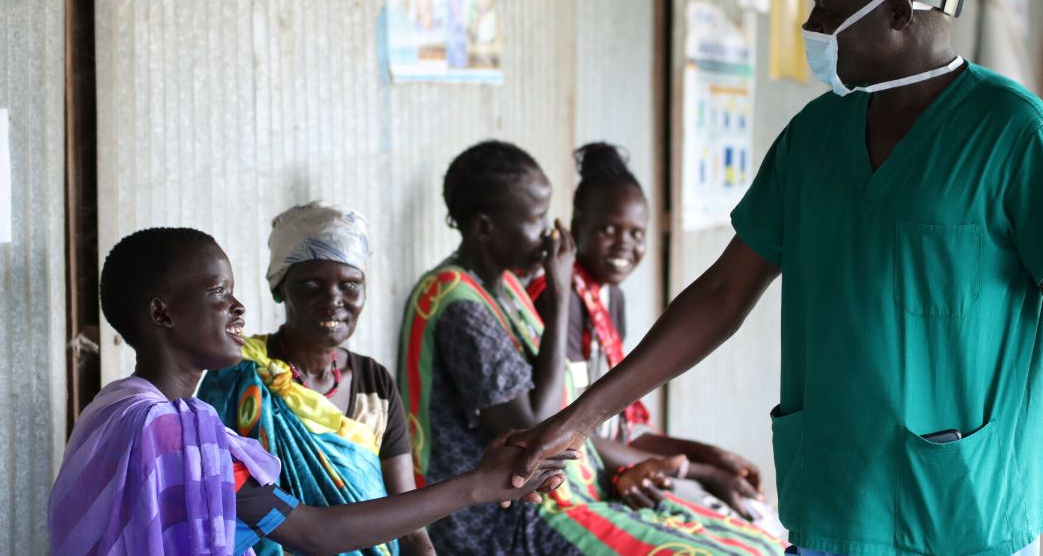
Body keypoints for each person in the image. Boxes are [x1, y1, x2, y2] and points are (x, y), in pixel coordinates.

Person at [508, 0, 1043, 556]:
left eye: (830, 12)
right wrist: (576, 422)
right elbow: (721, 295)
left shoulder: (1015, 135)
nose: (812, 31)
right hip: (837, 495)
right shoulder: (814, 137)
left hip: (967, 503)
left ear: (901, 13)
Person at [47, 227, 571, 556]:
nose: (238, 309)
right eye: (218, 294)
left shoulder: (114, 408)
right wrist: (477, 485)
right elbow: (317, 535)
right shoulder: (171, 431)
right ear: (161, 313)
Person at [397, 140, 786, 555]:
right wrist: (561, 292)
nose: (549, 231)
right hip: (499, 521)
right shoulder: (453, 301)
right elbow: (543, 422)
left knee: (751, 542)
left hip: (560, 499)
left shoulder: (505, 291)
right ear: (484, 228)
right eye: (536, 218)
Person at [527, 141, 780, 531]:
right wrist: (696, 469)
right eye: (609, 229)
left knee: (748, 515)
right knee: (724, 526)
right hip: (573, 481)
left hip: (604, 461)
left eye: (636, 233)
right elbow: (567, 427)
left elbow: (613, 422)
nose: (624, 244)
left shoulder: (609, 298)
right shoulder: (562, 301)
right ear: (578, 225)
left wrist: (708, 456)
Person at [197, 203, 433, 555]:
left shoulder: (374, 383)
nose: (333, 301)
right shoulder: (236, 373)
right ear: (280, 289)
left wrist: (424, 547)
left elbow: (408, 515)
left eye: (350, 285)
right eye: (311, 285)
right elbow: (207, 495)